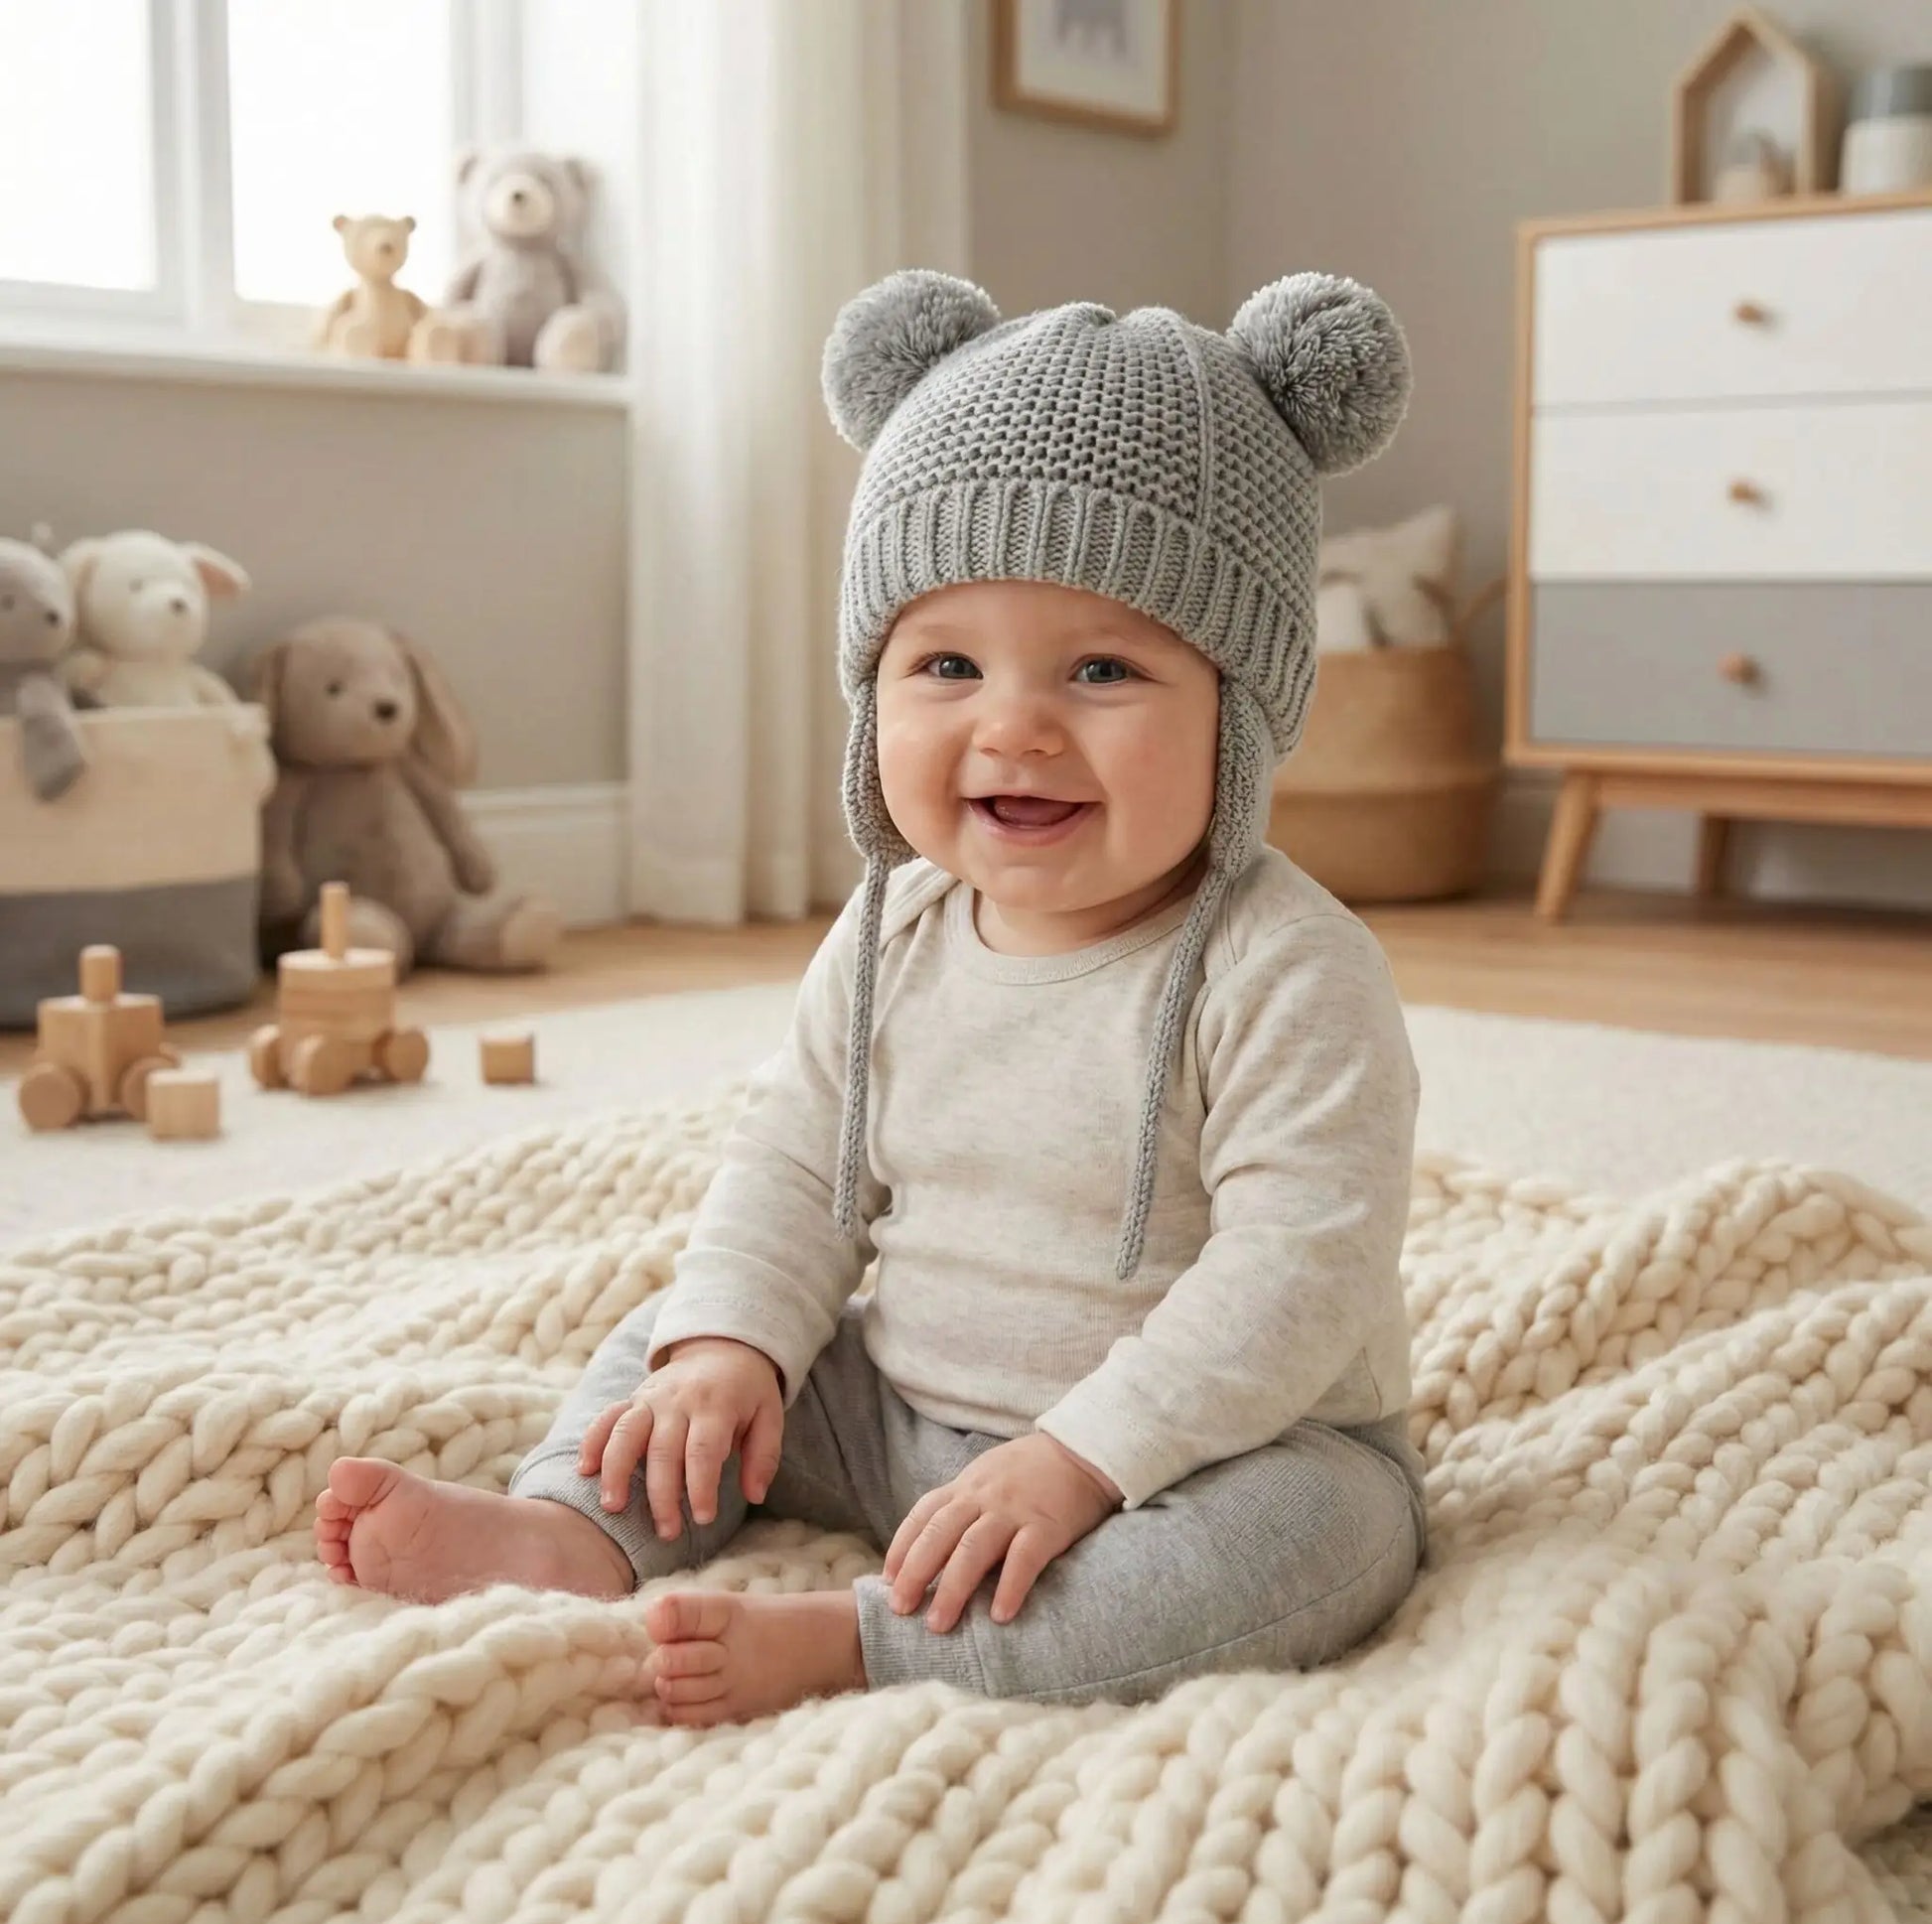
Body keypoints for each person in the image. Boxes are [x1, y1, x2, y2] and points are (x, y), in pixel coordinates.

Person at [315, 265, 1431, 1726]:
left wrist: (1082, 1458)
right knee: (681, 1342)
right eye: (946, 664)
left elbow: (1298, 1271)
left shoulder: (1287, 967)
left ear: (1241, 704)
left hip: (1202, 1449)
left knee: (1329, 1539)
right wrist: (734, 1347)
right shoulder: (893, 928)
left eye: (1101, 668)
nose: (1011, 725)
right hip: (899, 1408)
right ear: (874, 690)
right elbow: (793, 1164)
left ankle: (873, 1640)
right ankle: (570, 1531)